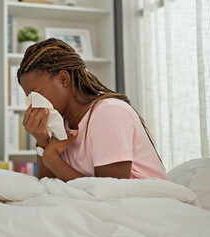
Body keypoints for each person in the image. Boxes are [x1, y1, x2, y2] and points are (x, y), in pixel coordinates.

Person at [17, 38, 169, 182]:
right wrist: (43, 143)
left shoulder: (109, 113)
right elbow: (46, 187)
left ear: (63, 79)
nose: (34, 104)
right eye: (29, 98)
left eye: (37, 94)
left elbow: (110, 191)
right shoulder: (62, 125)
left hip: (147, 203)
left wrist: (52, 158)